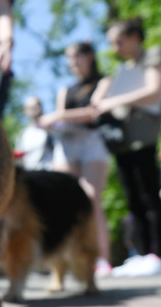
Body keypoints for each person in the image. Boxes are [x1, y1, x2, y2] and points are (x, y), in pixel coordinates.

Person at [93, 17, 161, 276]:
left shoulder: (152, 56)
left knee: (150, 196)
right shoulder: (123, 70)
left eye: (119, 41)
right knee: (133, 199)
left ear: (134, 37)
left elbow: (153, 90)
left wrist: (115, 100)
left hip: (144, 139)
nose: (115, 48)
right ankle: (141, 254)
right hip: (124, 142)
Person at [37, 41, 113, 273]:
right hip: (66, 143)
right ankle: (61, 263)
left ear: (89, 56)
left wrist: (59, 115)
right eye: (69, 59)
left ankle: (101, 259)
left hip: (91, 142)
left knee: (91, 199)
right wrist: (54, 120)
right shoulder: (65, 90)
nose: (72, 64)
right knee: (61, 201)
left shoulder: (103, 82)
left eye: (76, 57)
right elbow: (63, 120)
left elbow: (93, 112)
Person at [15, 96, 52, 171]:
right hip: (27, 173)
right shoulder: (23, 133)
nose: (35, 109)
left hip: (44, 173)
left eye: (37, 106)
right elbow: (19, 156)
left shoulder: (49, 130)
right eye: (31, 107)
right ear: (25, 111)